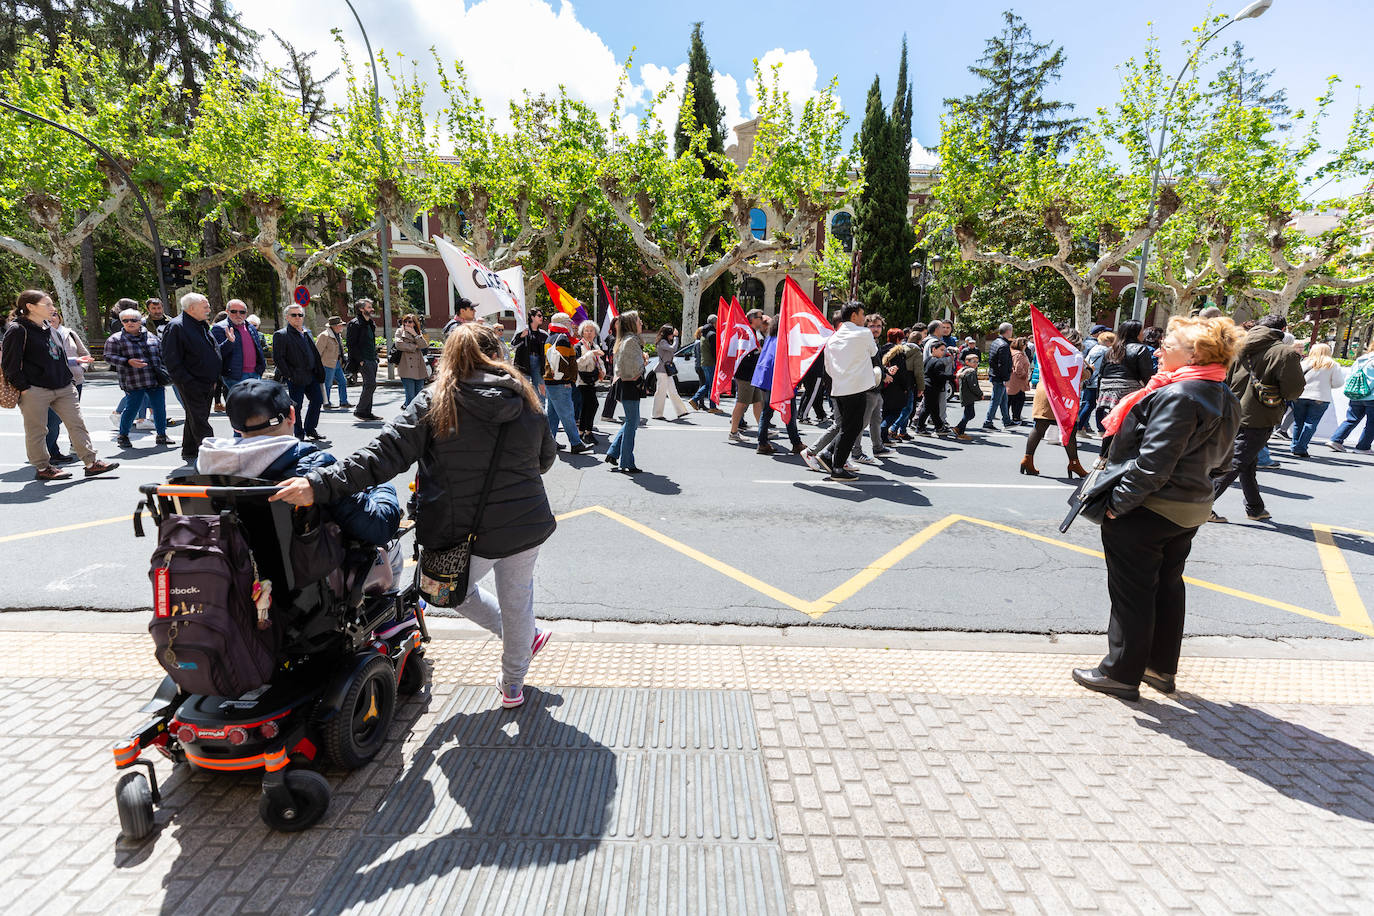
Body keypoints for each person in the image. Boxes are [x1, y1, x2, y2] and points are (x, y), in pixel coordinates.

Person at [271, 324, 556, 709]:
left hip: (462, 528)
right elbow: (544, 460)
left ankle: (520, 640)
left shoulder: (435, 401)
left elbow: (380, 456)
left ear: (451, 356)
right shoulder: (525, 397)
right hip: (526, 521)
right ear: (498, 353)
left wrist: (319, 484)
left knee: (449, 591)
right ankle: (513, 684)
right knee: (517, 599)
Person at [1071, 315, 1244, 701]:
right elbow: (1225, 461)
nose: (1160, 348)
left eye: (1169, 344)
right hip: (1189, 507)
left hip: (1150, 508)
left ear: (1194, 353)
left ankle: (1120, 672)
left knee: (1133, 592)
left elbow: (1153, 464)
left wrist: (1118, 504)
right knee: (1167, 586)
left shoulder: (1179, 394)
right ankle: (1159, 668)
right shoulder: (1222, 392)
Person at [3, 290, 118, 481]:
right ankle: (43, 467)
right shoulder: (17, 330)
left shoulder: (48, 326)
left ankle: (91, 463)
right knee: (37, 430)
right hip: (35, 389)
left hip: (63, 386)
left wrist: (69, 379)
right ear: (30, 307)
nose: (52, 308)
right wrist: (24, 387)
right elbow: (9, 364)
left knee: (77, 424)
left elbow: (59, 355)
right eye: (47, 304)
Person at [1210, 315, 1304, 522]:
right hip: (1258, 415)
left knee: (1247, 461)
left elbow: (1221, 377)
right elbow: (1294, 390)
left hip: (1230, 410)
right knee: (1237, 461)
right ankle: (1202, 504)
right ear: (1283, 329)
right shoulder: (1284, 352)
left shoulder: (1236, 346)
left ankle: (1255, 507)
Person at [162, 292, 230, 465]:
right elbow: (171, 359)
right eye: (205, 306)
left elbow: (210, 351)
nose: (209, 309)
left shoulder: (200, 324)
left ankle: (189, 449)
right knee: (200, 419)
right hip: (191, 382)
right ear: (192, 308)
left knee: (196, 416)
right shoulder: (176, 326)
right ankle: (212, 455)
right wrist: (187, 381)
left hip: (207, 381)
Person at [818, 301, 876, 482]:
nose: (864, 318)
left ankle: (829, 455)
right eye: (862, 314)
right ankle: (837, 466)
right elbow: (873, 352)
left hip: (838, 387)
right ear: (853, 316)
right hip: (856, 387)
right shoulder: (864, 333)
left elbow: (828, 366)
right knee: (853, 427)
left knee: (847, 427)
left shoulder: (833, 338)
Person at [1022, 327, 1087, 478]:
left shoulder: (1047, 349)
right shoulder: (1073, 355)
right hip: (1062, 394)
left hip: (1045, 391)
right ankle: (1074, 463)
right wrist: (1089, 370)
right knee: (1069, 429)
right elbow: (1077, 375)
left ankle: (1027, 459)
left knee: (1039, 427)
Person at [104, 306, 172, 449]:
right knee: (131, 409)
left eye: (133, 320)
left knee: (159, 408)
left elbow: (163, 356)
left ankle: (162, 435)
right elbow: (108, 357)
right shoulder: (115, 339)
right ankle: (123, 436)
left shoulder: (152, 337)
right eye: (125, 320)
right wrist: (127, 362)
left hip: (154, 380)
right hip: (132, 381)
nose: (130, 323)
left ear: (140, 320)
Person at [42, 309, 93, 463]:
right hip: (51, 383)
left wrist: (81, 368)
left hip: (74, 381)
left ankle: (77, 448)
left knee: (74, 418)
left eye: (55, 314)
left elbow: (84, 354)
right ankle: (51, 452)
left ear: (60, 317)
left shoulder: (69, 333)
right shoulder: (41, 334)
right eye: (48, 315)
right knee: (53, 420)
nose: (52, 318)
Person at [272, 304, 328, 442]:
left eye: (300, 315)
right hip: (296, 377)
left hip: (312, 375)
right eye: (294, 315)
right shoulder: (281, 335)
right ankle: (298, 433)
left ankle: (310, 429)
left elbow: (314, 354)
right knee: (296, 407)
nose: (298, 318)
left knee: (317, 401)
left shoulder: (307, 332)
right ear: (287, 317)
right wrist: (289, 375)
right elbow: (278, 358)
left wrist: (319, 371)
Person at [752, 320, 804, 456]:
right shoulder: (784, 340)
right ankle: (796, 443)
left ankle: (762, 443)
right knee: (789, 411)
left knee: (767, 412)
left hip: (766, 380)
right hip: (780, 381)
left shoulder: (770, 339)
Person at [542, 312, 591, 453]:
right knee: (567, 414)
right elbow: (563, 363)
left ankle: (549, 443)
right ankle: (576, 443)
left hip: (551, 381)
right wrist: (568, 380)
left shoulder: (550, 337)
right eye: (569, 322)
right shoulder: (562, 338)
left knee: (552, 414)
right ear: (563, 323)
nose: (572, 324)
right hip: (560, 383)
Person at [605, 310, 647, 474]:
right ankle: (626, 462)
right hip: (630, 384)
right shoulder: (630, 341)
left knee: (632, 420)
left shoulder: (628, 340)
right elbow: (632, 368)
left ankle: (614, 452)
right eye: (638, 320)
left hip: (628, 384)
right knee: (632, 422)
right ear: (632, 324)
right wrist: (643, 363)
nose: (641, 323)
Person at [1094, 321, 1155, 430]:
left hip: (1107, 388)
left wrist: (1099, 393)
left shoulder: (1110, 350)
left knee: (1114, 420)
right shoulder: (1141, 349)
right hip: (1128, 388)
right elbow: (1147, 374)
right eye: (1141, 331)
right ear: (1135, 333)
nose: (1143, 334)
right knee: (1126, 423)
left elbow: (1101, 373)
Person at [1289, 343, 1344, 458]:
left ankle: (1295, 446)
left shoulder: (1304, 363)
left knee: (1298, 422)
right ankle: (1301, 447)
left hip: (1300, 396)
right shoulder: (1332, 364)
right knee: (1311, 423)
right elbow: (1338, 382)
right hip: (1320, 397)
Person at [1327, 339, 1374, 454]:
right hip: (1371, 396)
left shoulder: (1361, 359)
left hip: (1356, 394)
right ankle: (1363, 447)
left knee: (1351, 419)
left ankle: (1336, 440)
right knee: (1372, 423)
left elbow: (1351, 375)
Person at [727, 309, 766, 442]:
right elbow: (743, 356)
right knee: (742, 404)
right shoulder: (747, 333)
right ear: (752, 319)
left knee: (758, 403)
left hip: (753, 375)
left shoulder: (753, 332)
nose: (762, 320)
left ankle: (763, 430)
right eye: (760, 317)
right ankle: (733, 432)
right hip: (745, 375)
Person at [212, 299, 266, 391]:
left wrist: (261, 368)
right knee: (243, 404)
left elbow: (258, 349)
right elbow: (216, 354)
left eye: (242, 312)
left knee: (254, 404)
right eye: (234, 311)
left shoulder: (251, 327)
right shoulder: (220, 328)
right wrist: (229, 342)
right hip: (235, 376)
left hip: (255, 373)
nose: (238, 315)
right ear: (227, 311)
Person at [345, 299, 381, 421]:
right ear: (361, 309)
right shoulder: (354, 324)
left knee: (368, 385)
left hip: (372, 359)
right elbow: (351, 344)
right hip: (363, 360)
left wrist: (376, 357)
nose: (371, 309)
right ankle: (360, 410)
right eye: (369, 307)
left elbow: (371, 342)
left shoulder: (370, 323)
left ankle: (367, 412)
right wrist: (360, 360)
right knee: (371, 384)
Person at [652, 324, 693, 421]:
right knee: (661, 392)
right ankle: (656, 414)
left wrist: (674, 338)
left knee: (672, 391)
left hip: (666, 370)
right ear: (667, 334)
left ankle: (681, 411)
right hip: (662, 370)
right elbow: (673, 349)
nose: (672, 336)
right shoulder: (662, 342)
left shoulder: (665, 342)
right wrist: (676, 338)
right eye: (671, 334)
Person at [918, 340, 956, 437]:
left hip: (928, 386)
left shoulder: (928, 359)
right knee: (927, 408)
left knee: (934, 409)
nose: (943, 352)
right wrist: (953, 376)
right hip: (933, 387)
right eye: (941, 350)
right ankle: (920, 427)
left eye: (944, 350)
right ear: (934, 349)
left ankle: (939, 427)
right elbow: (941, 376)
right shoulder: (938, 362)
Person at [392, 313, 431, 408]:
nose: (407, 323)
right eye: (404, 321)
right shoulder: (400, 331)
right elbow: (399, 344)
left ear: (414, 323)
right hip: (406, 366)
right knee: (410, 395)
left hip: (419, 366)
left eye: (410, 321)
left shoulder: (418, 332)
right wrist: (414, 346)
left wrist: (415, 334)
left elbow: (424, 345)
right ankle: (409, 417)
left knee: (419, 395)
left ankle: (416, 415)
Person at [573, 319, 604, 440]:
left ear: (595, 333)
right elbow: (577, 363)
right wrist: (590, 353)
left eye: (591, 330)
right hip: (582, 380)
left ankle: (584, 432)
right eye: (586, 330)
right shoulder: (579, 346)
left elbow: (600, 362)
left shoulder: (595, 346)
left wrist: (603, 372)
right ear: (582, 332)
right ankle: (586, 432)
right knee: (592, 404)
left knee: (588, 406)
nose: (589, 333)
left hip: (592, 379)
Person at [510, 308, 548, 399]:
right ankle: (524, 409)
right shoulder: (523, 330)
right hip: (524, 362)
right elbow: (513, 345)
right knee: (523, 388)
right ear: (532, 317)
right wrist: (521, 336)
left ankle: (540, 411)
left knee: (540, 389)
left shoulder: (544, 334)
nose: (541, 318)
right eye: (539, 315)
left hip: (539, 363)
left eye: (542, 316)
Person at [982, 322, 1014, 429]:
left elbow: (993, 360)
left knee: (1004, 400)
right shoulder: (1004, 345)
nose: (1012, 332)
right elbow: (1002, 364)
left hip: (995, 375)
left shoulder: (996, 342)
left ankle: (1007, 421)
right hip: (1000, 377)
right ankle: (988, 421)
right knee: (996, 400)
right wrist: (1005, 378)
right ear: (1008, 331)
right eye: (1011, 330)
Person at [316, 315, 351, 410]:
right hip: (327, 363)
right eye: (340, 325)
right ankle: (326, 403)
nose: (342, 327)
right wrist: (317, 366)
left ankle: (343, 402)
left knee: (343, 381)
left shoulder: (337, 335)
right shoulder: (324, 335)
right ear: (335, 326)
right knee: (327, 384)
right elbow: (317, 352)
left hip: (337, 362)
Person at [690, 314, 718, 411]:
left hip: (705, 362)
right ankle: (711, 406)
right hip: (710, 363)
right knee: (712, 385)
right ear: (715, 323)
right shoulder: (712, 334)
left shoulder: (704, 333)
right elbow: (714, 350)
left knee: (708, 384)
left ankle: (695, 400)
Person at [954, 352, 983, 439]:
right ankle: (959, 429)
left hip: (966, 395)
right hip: (969, 395)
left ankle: (959, 429)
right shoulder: (970, 371)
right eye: (974, 362)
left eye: (977, 362)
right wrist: (980, 393)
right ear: (967, 362)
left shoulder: (965, 370)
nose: (976, 364)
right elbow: (973, 385)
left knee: (970, 414)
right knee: (968, 414)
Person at [1007, 336, 1032, 424]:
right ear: (1022, 345)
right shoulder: (1019, 354)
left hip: (1011, 379)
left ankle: (1008, 417)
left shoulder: (1012, 352)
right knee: (1019, 399)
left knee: (1010, 399)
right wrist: (1025, 375)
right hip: (1018, 381)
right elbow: (1018, 369)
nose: (1027, 346)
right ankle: (1016, 417)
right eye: (1026, 344)